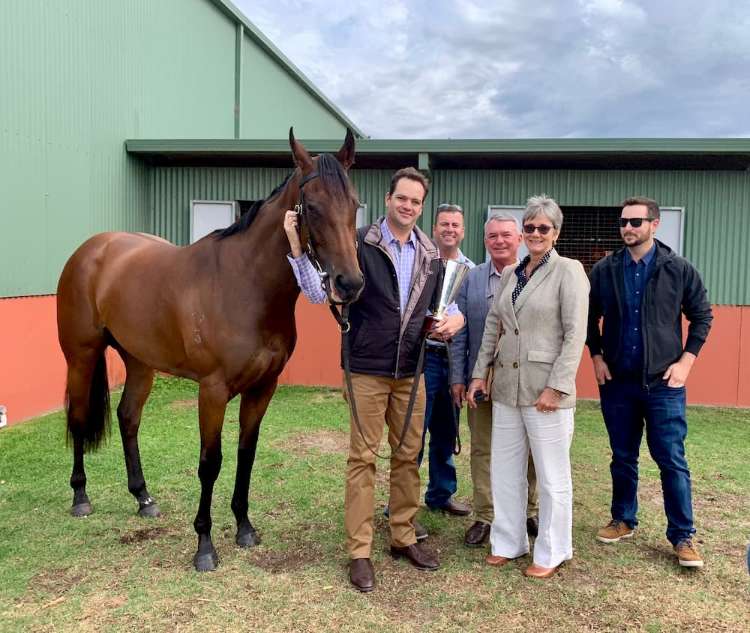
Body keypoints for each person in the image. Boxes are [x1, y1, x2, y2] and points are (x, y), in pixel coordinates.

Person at [283, 167, 465, 592]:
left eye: (416, 201)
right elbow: (317, 293)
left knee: (408, 456)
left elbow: (445, 304)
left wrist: (454, 320)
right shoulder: (359, 241)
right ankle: (360, 551)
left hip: (412, 370)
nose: (408, 206)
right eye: (402, 198)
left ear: (422, 206)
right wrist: (295, 247)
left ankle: (403, 536)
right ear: (388, 200)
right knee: (362, 460)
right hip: (366, 367)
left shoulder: (430, 251)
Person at [467, 195, 589, 579]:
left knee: (552, 477)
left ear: (556, 232)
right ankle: (508, 542)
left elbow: (575, 335)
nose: (536, 233)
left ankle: (553, 550)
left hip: (545, 392)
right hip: (506, 388)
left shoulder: (569, 271)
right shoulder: (511, 274)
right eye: (530, 227)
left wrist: (558, 387)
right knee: (505, 471)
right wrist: (479, 374)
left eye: (543, 228)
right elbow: (493, 327)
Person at [587, 196, 712, 568]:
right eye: (623, 222)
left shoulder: (678, 269)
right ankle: (623, 519)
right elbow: (588, 317)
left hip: (663, 385)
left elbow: (702, 317)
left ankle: (683, 536)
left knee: (671, 460)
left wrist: (686, 362)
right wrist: (596, 356)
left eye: (636, 222)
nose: (627, 228)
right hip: (618, 383)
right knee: (623, 456)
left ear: (654, 225)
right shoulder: (605, 270)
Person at [450, 213, 539, 547]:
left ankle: (530, 510)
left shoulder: (536, 275)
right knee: (482, 449)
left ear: (519, 239)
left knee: (530, 449)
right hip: (481, 380)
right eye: (492, 236)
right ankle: (485, 515)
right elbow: (460, 332)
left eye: (506, 235)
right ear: (485, 241)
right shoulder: (471, 278)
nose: (499, 241)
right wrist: (458, 377)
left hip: (524, 380)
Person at [418, 204, 474, 517]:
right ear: (434, 229)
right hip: (423, 358)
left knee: (445, 431)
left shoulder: (472, 270)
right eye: (444, 224)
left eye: (455, 225)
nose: (449, 229)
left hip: (453, 361)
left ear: (462, 231)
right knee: (414, 433)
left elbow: (472, 318)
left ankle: (441, 494)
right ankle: (402, 502)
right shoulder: (421, 262)